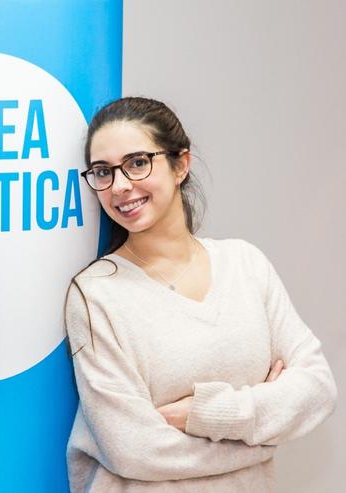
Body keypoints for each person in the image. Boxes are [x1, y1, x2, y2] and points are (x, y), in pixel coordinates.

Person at [65, 97, 337, 492]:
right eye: (103, 172)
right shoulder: (95, 294)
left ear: (181, 164)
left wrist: (208, 413)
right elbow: (134, 449)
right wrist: (262, 433)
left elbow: (317, 389)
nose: (119, 186)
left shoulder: (245, 264)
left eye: (138, 162)